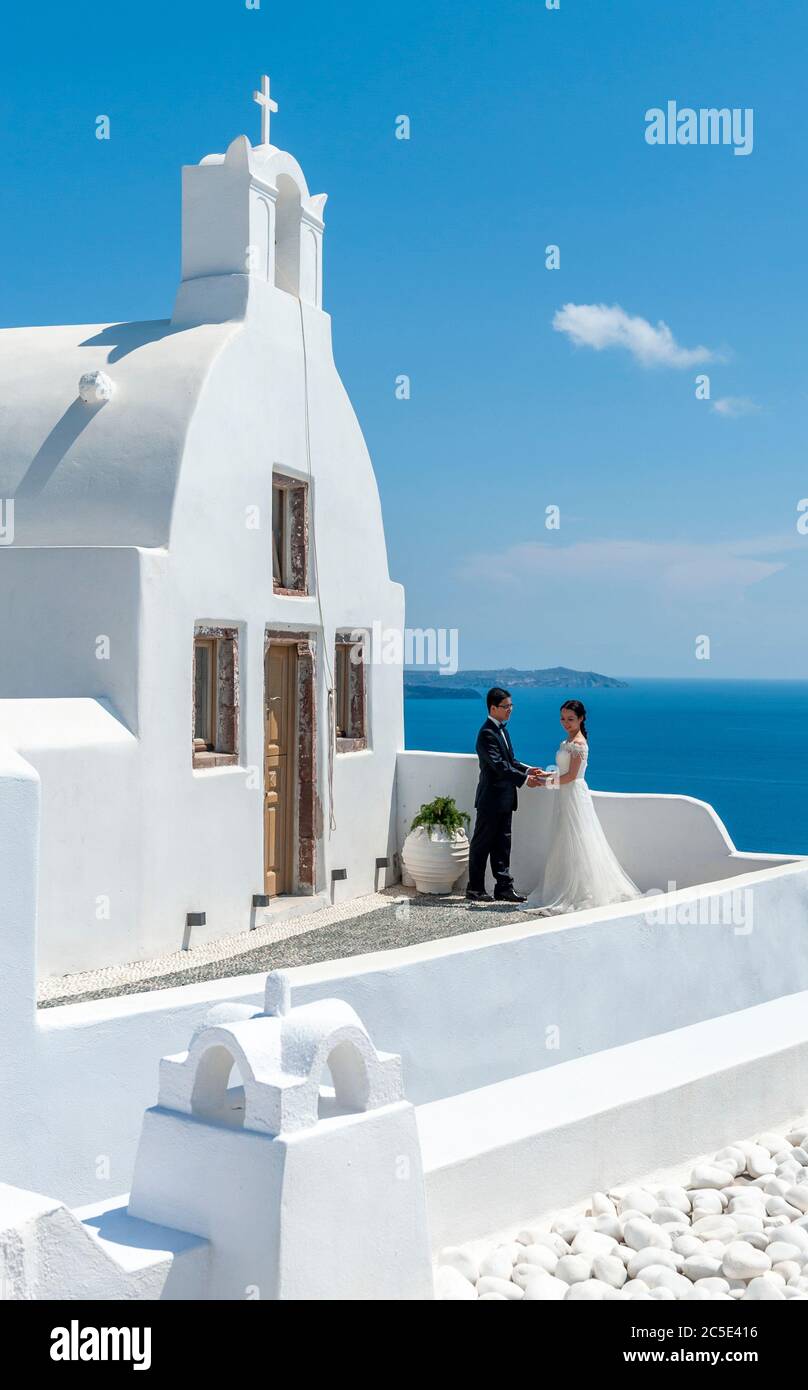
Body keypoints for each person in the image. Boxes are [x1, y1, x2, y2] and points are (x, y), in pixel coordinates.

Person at [526, 699, 639, 915]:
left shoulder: (578, 744)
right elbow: (563, 772)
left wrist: (543, 783)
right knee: (564, 840)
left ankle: (581, 891)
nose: (565, 723)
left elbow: (571, 777)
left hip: (574, 796)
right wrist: (546, 775)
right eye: (562, 718)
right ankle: (566, 886)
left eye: (570, 719)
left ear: (581, 719)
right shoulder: (567, 741)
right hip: (565, 796)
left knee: (577, 841)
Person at [466, 687, 543, 903]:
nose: (510, 710)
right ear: (493, 708)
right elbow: (500, 767)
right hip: (490, 799)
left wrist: (528, 770)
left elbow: (511, 761)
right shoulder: (487, 733)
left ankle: (503, 888)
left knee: (502, 844)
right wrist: (525, 780)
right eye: (506, 706)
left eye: (511, 706)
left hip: (506, 799)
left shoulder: (502, 730)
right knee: (482, 844)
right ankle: (475, 888)